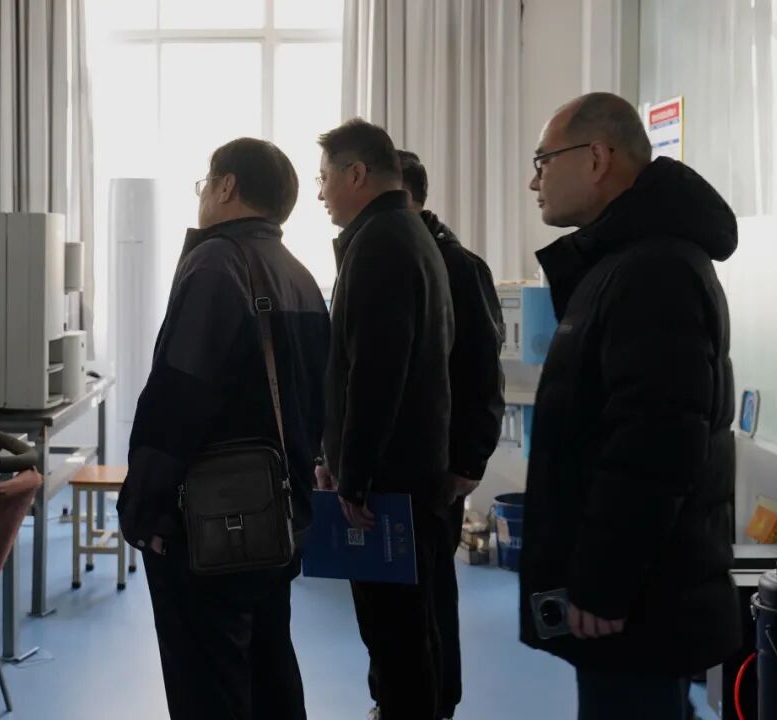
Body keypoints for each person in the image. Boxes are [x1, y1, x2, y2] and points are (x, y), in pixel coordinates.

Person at [520, 92, 741, 720]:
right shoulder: (625, 261)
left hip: (641, 596)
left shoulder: (652, 270)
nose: (534, 181)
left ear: (596, 158)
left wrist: (603, 584)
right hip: (643, 588)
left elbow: (654, 445)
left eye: (543, 160)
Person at [117, 138, 330, 720]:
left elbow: (178, 396)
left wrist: (145, 509)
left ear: (227, 186)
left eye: (206, 183)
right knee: (269, 672)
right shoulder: (299, 275)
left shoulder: (217, 265)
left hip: (208, 527)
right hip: (276, 519)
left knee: (208, 686)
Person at [315, 118, 455, 720]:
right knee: (407, 635)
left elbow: (375, 374)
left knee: (395, 638)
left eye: (325, 178)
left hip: (387, 486)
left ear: (356, 174)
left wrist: (355, 477)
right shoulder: (407, 233)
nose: (321, 194)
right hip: (410, 472)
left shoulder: (380, 244)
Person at [397, 149, 506, 718]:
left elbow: (482, 371)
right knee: (398, 598)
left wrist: (469, 461)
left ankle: (438, 702)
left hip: (439, 464)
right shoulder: (385, 255)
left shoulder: (457, 265)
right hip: (401, 463)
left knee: (431, 591)